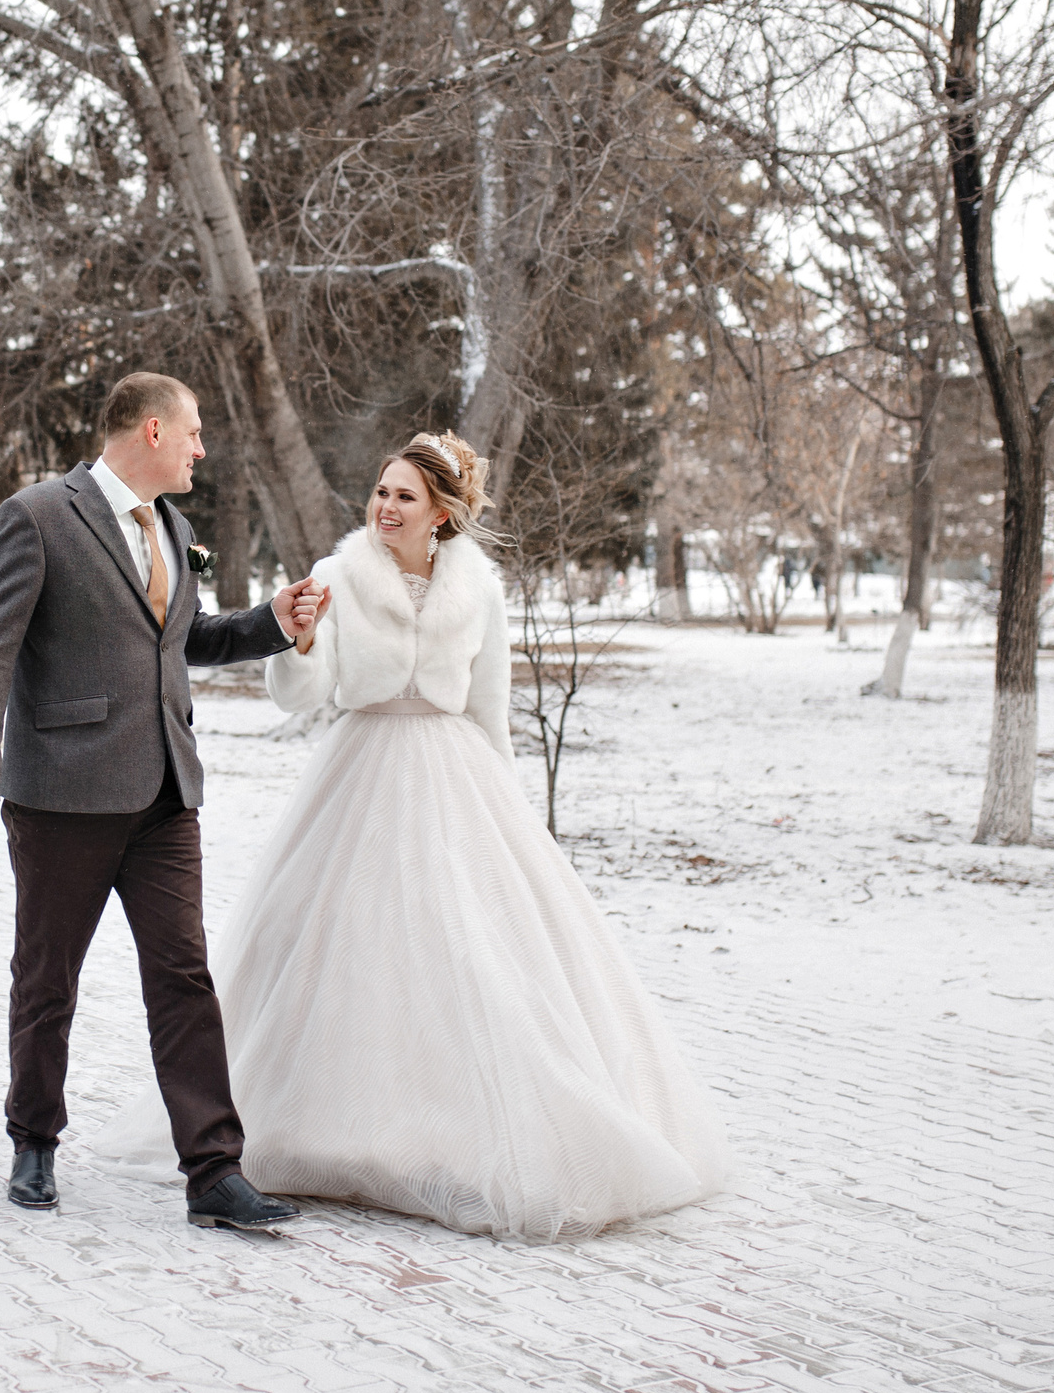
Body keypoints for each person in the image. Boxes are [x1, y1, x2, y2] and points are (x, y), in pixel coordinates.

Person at [86, 430, 728, 1240]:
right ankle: (331, 1135)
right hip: (363, 768)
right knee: (347, 951)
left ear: (442, 515)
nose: (386, 507)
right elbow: (302, 692)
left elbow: (488, 705)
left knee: (469, 954)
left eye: (405, 497)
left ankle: (449, 1132)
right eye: (381, 491)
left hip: (460, 776)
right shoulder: (337, 574)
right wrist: (303, 638)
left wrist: (509, 814)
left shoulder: (481, 589)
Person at [0, 372, 327, 1229]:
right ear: (151, 430)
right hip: (63, 797)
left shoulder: (173, 527)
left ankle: (214, 1171)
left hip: (164, 797)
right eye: (193, 432)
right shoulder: (40, 515)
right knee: (48, 979)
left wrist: (274, 618)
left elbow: (181, 640)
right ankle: (34, 1140)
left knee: (184, 980)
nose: (201, 448)